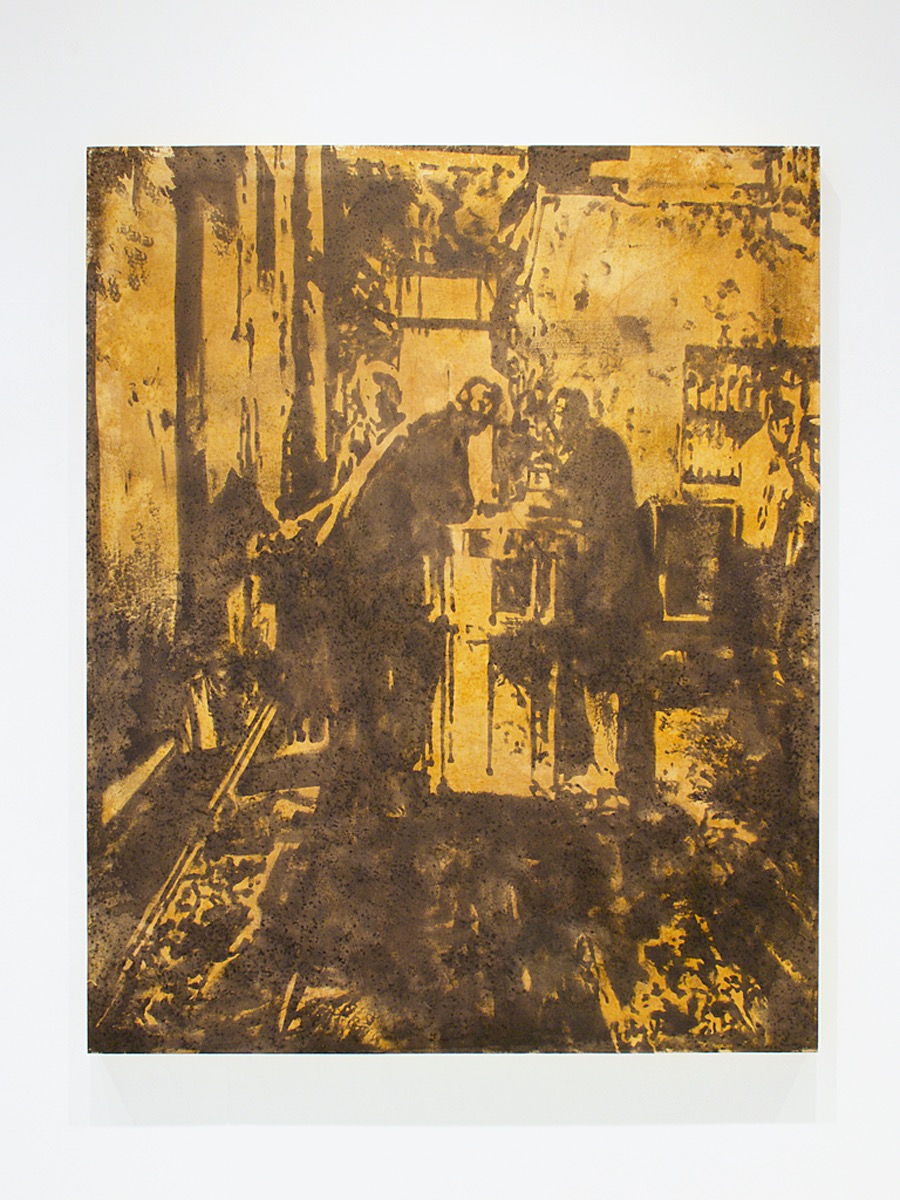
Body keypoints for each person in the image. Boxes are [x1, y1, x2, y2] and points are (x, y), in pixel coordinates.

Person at [325, 377, 504, 811]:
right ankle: (394, 780)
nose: (481, 421)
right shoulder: (442, 438)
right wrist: (474, 508)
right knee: (413, 666)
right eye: (480, 411)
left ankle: (368, 780)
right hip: (387, 564)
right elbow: (449, 502)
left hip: (369, 561)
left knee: (375, 670)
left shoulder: (429, 429)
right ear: (469, 409)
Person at [547, 388, 656, 799]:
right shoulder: (578, 452)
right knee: (572, 658)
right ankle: (581, 765)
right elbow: (574, 504)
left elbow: (607, 515)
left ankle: (636, 778)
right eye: (556, 417)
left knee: (629, 676)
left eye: (564, 416)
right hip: (596, 577)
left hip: (617, 580)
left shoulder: (604, 446)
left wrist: (572, 523)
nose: (558, 424)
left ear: (580, 415)